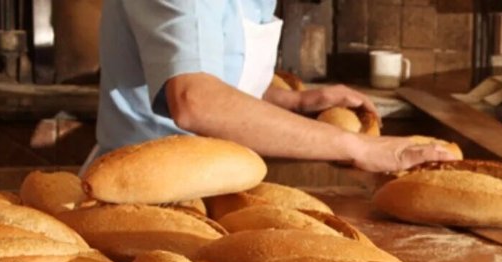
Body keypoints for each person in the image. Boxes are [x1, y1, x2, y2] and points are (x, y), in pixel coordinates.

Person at [86, 0, 458, 173]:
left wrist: (294, 101)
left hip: (217, 181)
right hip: (141, 187)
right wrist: (357, 147)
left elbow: (224, 74)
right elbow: (194, 99)